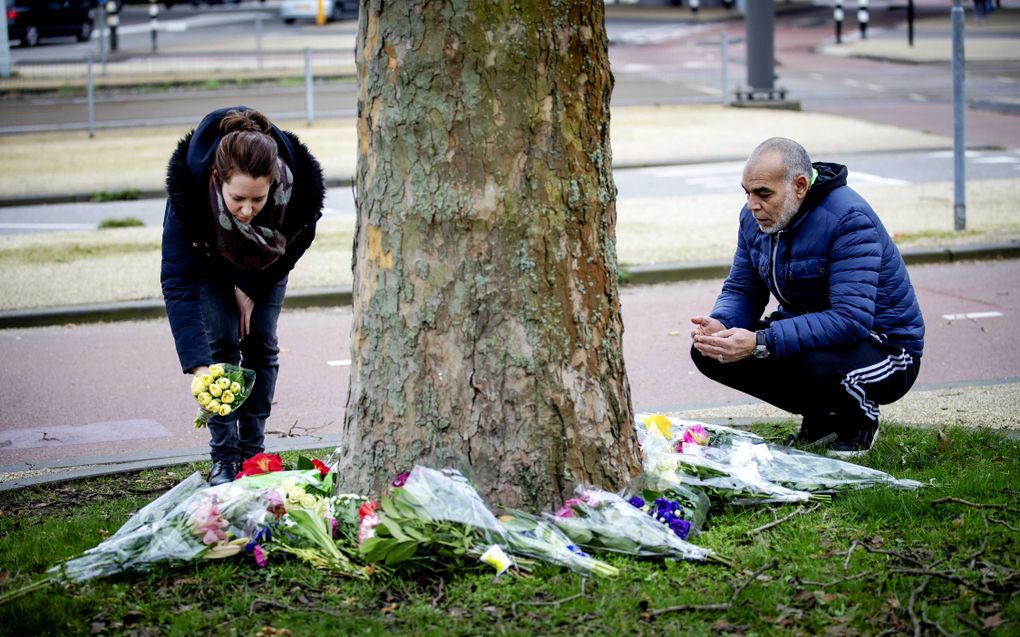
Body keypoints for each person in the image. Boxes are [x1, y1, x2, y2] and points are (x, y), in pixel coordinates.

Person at [689, 137, 924, 457]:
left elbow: (850, 320)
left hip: (887, 349)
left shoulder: (848, 218)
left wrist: (760, 341)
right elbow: (743, 289)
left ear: (800, 185)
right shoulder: (753, 219)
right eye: (747, 192)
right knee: (710, 352)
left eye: (763, 194)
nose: (752, 205)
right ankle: (823, 419)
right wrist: (722, 324)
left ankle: (858, 420)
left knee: (814, 361)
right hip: (816, 338)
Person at [161, 106, 325, 485]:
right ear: (217, 179)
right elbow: (177, 281)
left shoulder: (296, 194)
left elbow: (298, 241)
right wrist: (199, 367)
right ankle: (224, 457)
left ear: (274, 182)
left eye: (258, 199)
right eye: (237, 199)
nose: (247, 210)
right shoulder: (189, 196)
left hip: (266, 262)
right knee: (219, 343)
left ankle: (253, 454)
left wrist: (252, 287)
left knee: (261, 339)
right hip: (209, 261)